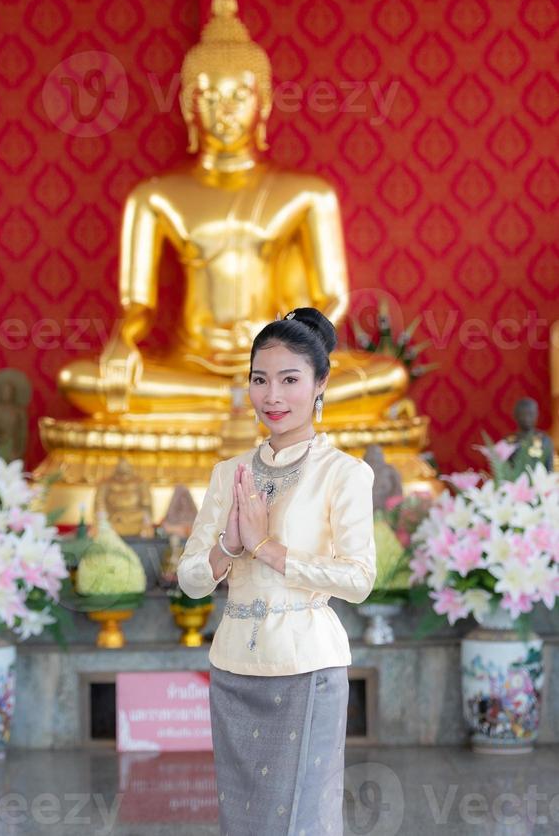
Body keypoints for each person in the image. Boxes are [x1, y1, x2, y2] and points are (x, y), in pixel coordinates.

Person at [177, 307, 377, 836]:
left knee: (300, 822)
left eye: (290, 380)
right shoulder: (228, 474)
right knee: (242, 822)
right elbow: (192, 579)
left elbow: (359, 579)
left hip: (307, 667)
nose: (273, 397)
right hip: (233, 668)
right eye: (260, 380)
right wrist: (230, 546)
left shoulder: (345, 474)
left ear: (320, 385)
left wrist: (268, 547)